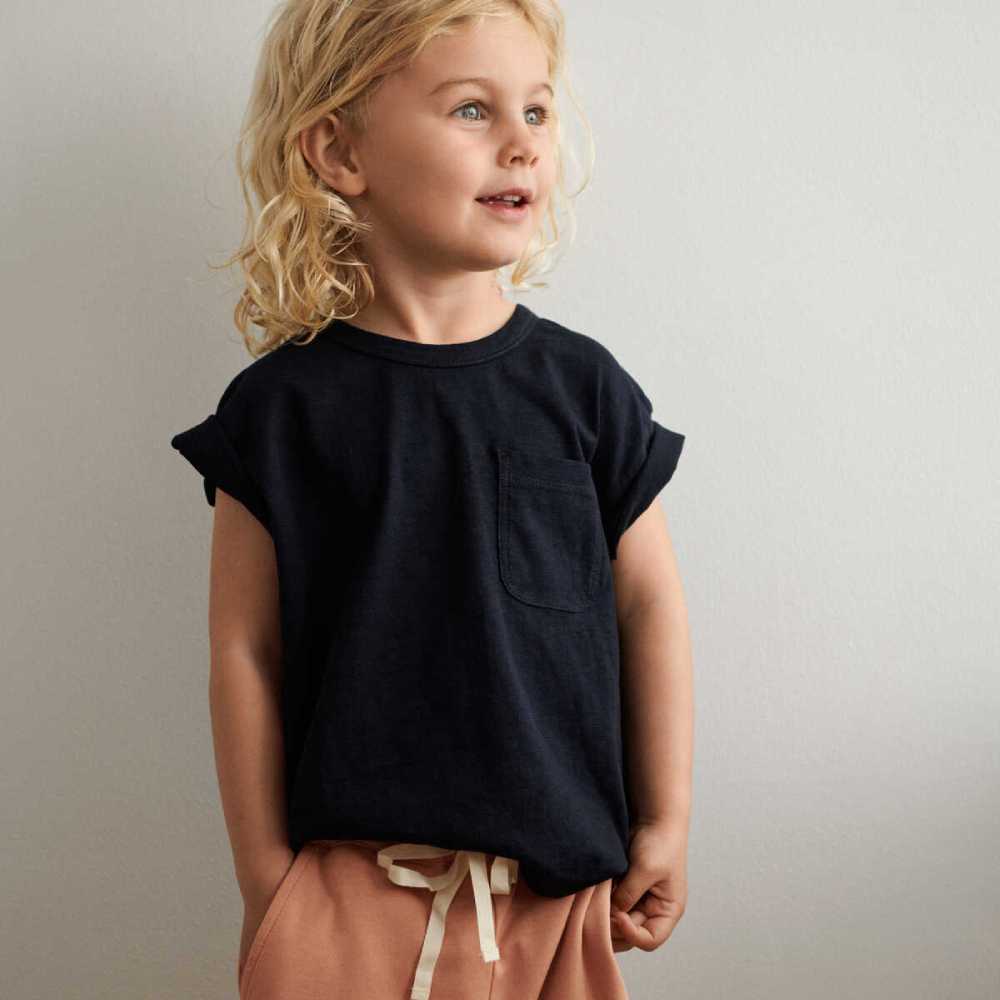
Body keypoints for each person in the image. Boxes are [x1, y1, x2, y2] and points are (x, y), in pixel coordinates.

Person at [169, 1, 694, 997]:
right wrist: (267, 882)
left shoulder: (585, 392)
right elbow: (245, 651)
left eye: (536, 111)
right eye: (471, 110)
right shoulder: (280, 411)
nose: (522, 144)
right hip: (341, 907)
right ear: (340, 150)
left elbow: (650, 606)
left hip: (560, 906)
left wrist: (664, 820)